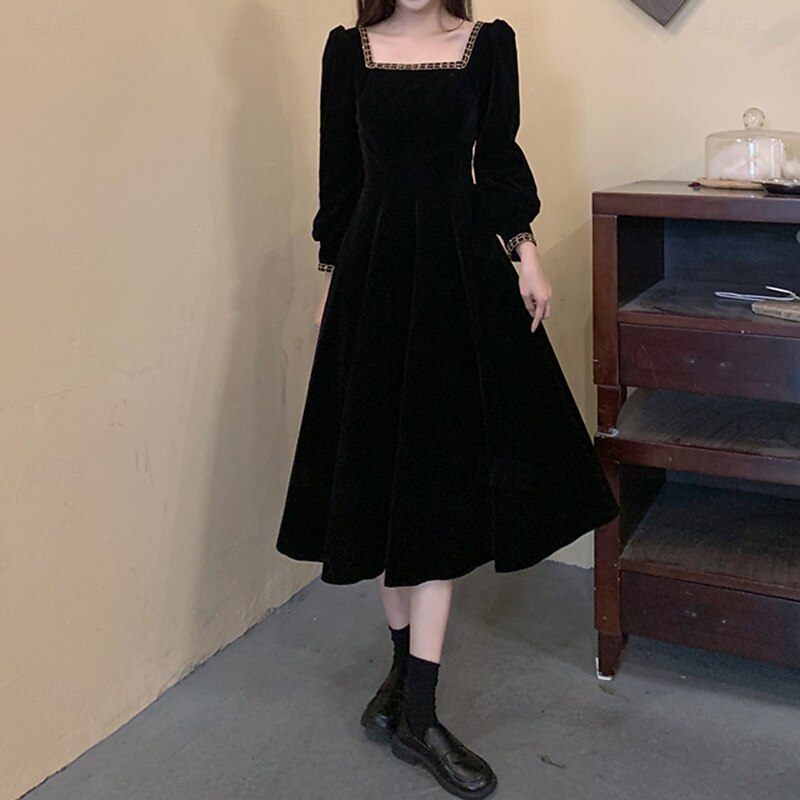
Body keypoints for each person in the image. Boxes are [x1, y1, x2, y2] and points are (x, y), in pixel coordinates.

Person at [276, 1, 620, 797]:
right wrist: (330, 278)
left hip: (456, 272)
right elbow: (340, 174)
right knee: (382, 478)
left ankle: (419, 710)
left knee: (434, 480)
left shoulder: (486, 46)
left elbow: (496, 159)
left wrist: (525, 253)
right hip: (373, 273)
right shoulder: (347, 52)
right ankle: (405, 685)